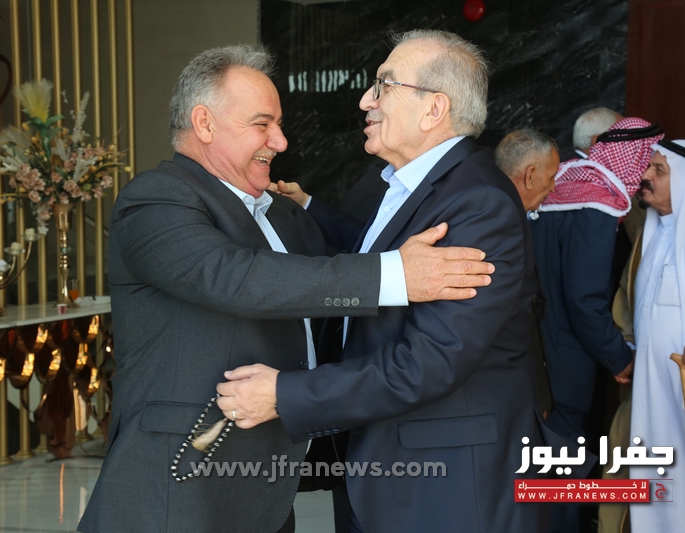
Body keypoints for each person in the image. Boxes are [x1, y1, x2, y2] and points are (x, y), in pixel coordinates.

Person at [77, 44, 494, 533]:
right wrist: (396, 275)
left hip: (269, 486)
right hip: (177, 484)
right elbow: (235, 278)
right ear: (204, 123)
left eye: (279, 124)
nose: (280, 141)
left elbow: (329, 303)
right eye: (262, 124)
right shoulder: (155, 200)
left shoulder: (285, 214)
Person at [218, 29, 568, 533]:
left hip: (447, 487)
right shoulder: (409, 186)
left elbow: (432, 360)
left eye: (384, 85)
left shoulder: (477, 202)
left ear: (433, 109)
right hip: (390, 465)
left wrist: (286, 394)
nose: (366, 100)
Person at [530, 116, 664, 533]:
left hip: (539, 350)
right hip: (571, 356)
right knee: (566, 466)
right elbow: (584, 300)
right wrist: (619, 357)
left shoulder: (565, 182)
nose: (645, 173)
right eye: (646, 161)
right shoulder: (600, 201)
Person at [622, 140, 685, 532]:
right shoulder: (650, 231)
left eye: (659, 171)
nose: (646, 176)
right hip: (652, 382)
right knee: (655, 461)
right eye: (649, 168)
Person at [494, 128, 560, 212]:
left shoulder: (488, 209)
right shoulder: (500, 217)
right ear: (530, 176)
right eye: (550, 178)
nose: (552, 188)